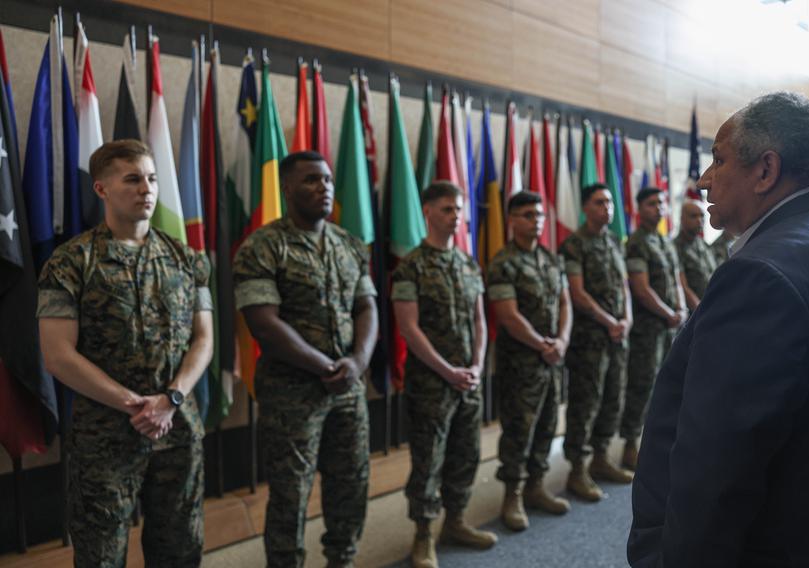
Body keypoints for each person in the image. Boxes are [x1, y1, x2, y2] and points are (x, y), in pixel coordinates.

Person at [628, 92, 809, 567]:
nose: (703, 181)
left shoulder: (762, 274)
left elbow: (717, 469)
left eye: (718, 160)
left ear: (766, 171)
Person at [37, 140, 214, 567]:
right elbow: (58, 355)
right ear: (101, 189)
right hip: (105, 435)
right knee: (101, 552)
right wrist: (136, 405)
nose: (146, 189)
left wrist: (169, 400)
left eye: (152, 179)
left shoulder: (188, 260)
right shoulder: (71, 262)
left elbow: (204, 340)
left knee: (180, 546)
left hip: (177, 428)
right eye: (132, 179)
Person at [233, 151, 378, 568]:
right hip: (291, 391)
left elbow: (367, 307)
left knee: (351, 481)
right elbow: (264, 324)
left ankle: (342, 558)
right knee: (290, 492)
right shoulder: (261, 246)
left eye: (328, 180)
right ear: (287, 188)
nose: (324, 188)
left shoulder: (349, 243)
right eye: (313, 180)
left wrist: (358, 362)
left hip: (348, 387)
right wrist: (325, 367)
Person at [392, 182, 496, 568]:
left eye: (459, 209)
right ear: (428, 212)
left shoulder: (469, 264)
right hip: (431, 384)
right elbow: (409, 329)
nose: (455, 216)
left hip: (467, 381)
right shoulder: (411, 266)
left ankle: (456, 521)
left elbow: (479, 321)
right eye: (447, 209)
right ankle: (423, 534)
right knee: (428, 460)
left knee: (466, 454)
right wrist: (448, 370)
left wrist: (476, 366)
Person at [488, 191, 573, 531]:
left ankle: (536, 487)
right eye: (526, 215)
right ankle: (513, 496)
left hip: (551, 361)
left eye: (539, 214)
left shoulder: (552, 260)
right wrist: (543, 345)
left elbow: (565, 303)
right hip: (520, 364)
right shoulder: (502, 263)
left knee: (548, 424)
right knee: (518, 431)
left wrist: (562, 341)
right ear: (511, 220)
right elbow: (508, 316)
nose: (535, 220)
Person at [560, 183, 634, 504]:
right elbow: (577, 294)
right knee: (585, 404)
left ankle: (601, 459)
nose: (607, 207)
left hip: (618, 337)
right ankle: (578, 469)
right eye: (599, 202)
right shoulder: (574, 245)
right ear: (586, 207)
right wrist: (610, 322)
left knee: (612, 398)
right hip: (589, 339)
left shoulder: (615, 242)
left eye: (609, 202)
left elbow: (625, 286)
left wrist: (626, 319)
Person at [622, 188, 686, 471]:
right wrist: (669, 312)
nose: (658, 208)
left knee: (667, 384)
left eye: (662, 202)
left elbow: (676, 279)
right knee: (642, 385)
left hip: (669, 326)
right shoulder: (637, 243)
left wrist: (681, 308)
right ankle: (630, 444)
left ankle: (656, 440)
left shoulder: (665, 241)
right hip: (648, 329)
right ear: (639, 208)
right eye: (651, 204)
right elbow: (641, 288)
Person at [674, 199, 717, 310]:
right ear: (682, 219)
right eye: (693, 216)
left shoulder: (704, 245)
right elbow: (682, 286)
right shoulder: (674, 247)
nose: (699, 220)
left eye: (702, 216)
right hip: (693, 314)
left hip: (712, 307)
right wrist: (701, 311)